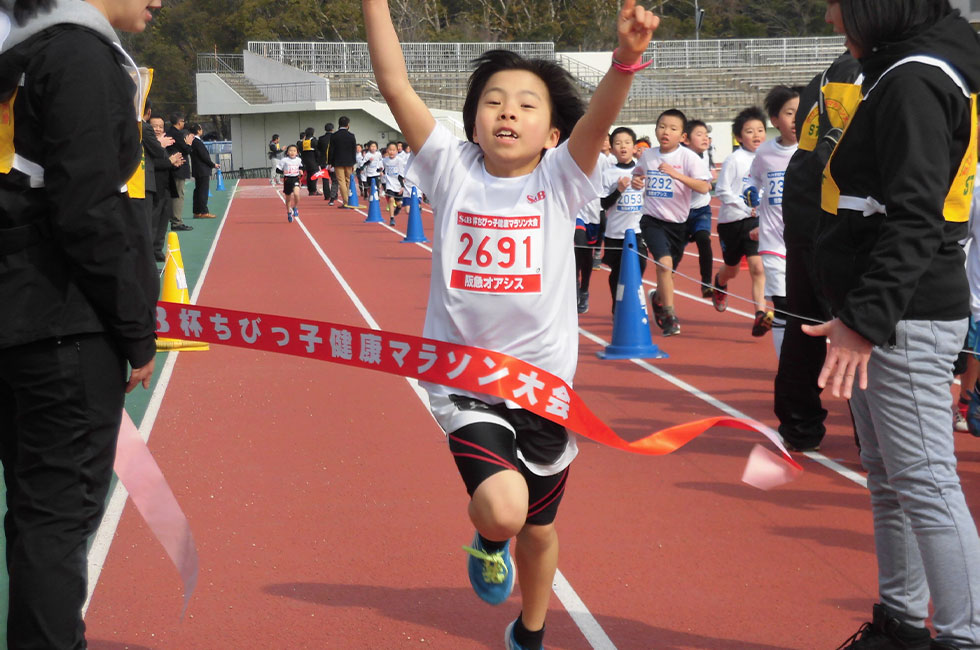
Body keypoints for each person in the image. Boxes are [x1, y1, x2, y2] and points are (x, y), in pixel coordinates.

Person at [363, 0, 657, 647]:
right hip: (464, 382)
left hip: (544, 390)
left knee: (540, 529)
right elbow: (394, 85)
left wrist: (625, 63)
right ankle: (487, 532)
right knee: (505, 508)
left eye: (527, 104)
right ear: (472, 120)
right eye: (494, 101)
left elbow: (600, 120)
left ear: (554, 133)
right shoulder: (451, 170)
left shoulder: (560, 182)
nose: (508, 112)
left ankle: (529, 630)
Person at [801, 1, 980, 647]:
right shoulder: (907, 70)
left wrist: (867, 320)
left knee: (926, 483)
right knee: (891, 477)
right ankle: (900, 625)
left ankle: (964, 637)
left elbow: (915, 216)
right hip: (885, 313)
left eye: (841, 4)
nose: (830, 18)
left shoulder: (916, 80)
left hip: (904, 316)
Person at [0, 0, 161, 647]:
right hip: (61, 323)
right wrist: (135, 330)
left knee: (36, 515)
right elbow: (88, 210)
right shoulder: (79, 57)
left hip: (19, 315)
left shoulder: (18, 61)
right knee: (55, 518)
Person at [774, 43, 861, 452]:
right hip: (834, 199)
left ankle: (799, 425)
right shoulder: (870, 71)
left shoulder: (827, 74)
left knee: (803, 319)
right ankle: (873, 437)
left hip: (808, 190)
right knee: (857, 321)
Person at [630, 108, 712, 336]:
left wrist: (677, 176)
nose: (666, 132)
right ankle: (669, 314)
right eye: (662, 127)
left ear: (682, 136)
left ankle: (657, 298)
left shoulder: (688, 158)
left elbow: (705, 186)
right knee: (664, 264)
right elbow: (637, 174)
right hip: (652, 220)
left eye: (673, 129)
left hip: (679, 224)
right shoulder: (648, 155)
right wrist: (637, 182)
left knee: (669, 272)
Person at [746, 85, 800, 358]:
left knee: (807, 308)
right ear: (776, 120)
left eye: (802, 113)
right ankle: (785, 364)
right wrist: (750, 192)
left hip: (806, 242)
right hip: (774, 240)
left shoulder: (816, 151)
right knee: (782, 304)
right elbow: (752, 179)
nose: (796, 119)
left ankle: (805, 360)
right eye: (789, 113)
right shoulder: (765, 152)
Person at [711, 106, 769, 335]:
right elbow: (722, 190)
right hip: (732, 222)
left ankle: (760, 315)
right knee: (732, 269)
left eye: (760, 130)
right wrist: (744, 205)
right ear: (738, 137)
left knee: (757, 267)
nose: (756, 135)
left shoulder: (769, 158)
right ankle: (719, 281)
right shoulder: (734, 160)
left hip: (756, 222)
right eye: (749, 131)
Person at [600, 126, 647, 314]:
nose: (623, 147)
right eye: (618, 143)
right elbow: (603, 204)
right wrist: (618, 190)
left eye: (627, 142)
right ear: (612, 149)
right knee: (618, 272)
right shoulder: (608, 174)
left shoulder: (642, 171)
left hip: (636, 231)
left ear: (634, 147)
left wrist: (643, 184)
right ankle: (616, 305)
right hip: (614, 233)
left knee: (640, 265)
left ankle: (630, 302)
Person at [681, 118, 715, 297]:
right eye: (700, 135)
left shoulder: (706, 154)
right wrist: (702, 183)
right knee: (674, 254)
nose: (705, 139)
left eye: (707, 135)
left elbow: (708, 181)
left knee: (704, 239)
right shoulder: (680, 158)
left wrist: (707, 182)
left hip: (701, 209)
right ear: (686, 139)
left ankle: (707, 283)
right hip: (680, 212)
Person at [166, 111, 193, 232]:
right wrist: (188, 143)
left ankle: (174, 219)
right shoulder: (177, 134)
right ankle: (177, 221)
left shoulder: (169, 132)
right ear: (179, 122)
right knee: (178, 195)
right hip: (178, 168)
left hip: (172, 167)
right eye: (183, 121)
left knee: (175, 194)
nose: (184, 124)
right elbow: (186, 149)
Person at [188, 123, 218, 218]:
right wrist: (213, 164)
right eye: (200, 128)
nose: (202, 130)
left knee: (198, 190)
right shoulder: (197, 142)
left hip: (198, 170)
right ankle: (204, 212)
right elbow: (204, 156)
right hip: (202, 170)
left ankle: (197, 211)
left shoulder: (192, 141)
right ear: (198, 130)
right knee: (203, 191)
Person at [328, 115, 358, 207]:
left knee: (341, 181)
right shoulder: (351, 135)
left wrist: (330, 162)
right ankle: (350, 199)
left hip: (338, 162)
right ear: (348, 125)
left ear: (339, 124)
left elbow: (331, 150)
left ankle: (345, 201)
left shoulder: (334, 136)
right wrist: (354, 161)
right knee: (348, 180)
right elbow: (354, 149)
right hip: (349, 161)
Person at [277, 144, 303, 222]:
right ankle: (288, 212)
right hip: (287, 179)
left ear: (297, 152)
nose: (292, 152)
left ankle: (295, 207)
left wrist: (301, 170)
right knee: (288, 198)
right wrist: (283, 171)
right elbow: (277, 170)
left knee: (296, 194)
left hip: (295, 178)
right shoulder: (284, 160)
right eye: (290, 151)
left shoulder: (298, 160)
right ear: (287, 152)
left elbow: (301, 166)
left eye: (294, 151)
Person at [380, 141, 404, 225]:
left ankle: (398, 207)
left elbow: (402, 174)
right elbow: (382, 168)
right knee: (390, 199)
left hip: (398, 184)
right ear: (387, 151)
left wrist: (402, 186)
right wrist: (381, 171)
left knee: (399, 203)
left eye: (394, 150)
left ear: (397, 151)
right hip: (389, 183)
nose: (391, 152)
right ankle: (392, 218)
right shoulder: (385, 160)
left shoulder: (399, 161)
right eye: (390, 150)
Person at [317, 122, 336, 203]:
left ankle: (327, 195)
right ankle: (334, 194)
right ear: (332, 129)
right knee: (334, 179)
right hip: (333, 161)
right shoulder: (335, 137)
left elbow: (318, 150)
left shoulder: (321, 138)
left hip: (323, 160)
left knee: (325, 179)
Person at [299, 127, 319, 196]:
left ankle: (310, 190)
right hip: (313, 160)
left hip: (305, 161)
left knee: (308, 175)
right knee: (314, 175)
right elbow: (317, 151)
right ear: (313, 133)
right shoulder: (314, 141)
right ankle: (314, 190)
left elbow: (301, 151)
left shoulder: (302, 142)